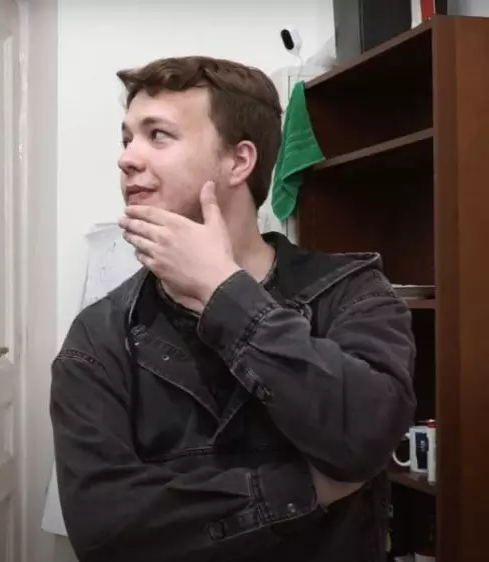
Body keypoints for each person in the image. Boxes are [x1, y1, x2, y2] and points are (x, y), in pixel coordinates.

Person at [50, 56, 416, 562]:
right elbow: (104, 529)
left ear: (239, 162)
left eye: (158, 135)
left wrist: (223, 291)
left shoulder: (350, 292)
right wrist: (304, 490)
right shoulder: (100, 335)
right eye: (127, 138)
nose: (127, 158)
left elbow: (364, 439)